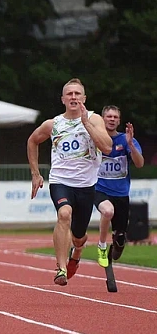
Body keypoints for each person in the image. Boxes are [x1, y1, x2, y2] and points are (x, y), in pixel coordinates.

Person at [27, 79, 112, 286]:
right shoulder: (53, 124)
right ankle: (61, 268)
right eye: (69, 94)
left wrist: (86, 124)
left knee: (79, 237)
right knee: (64, 214)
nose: (73, 97)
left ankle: (77, 251)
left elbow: (107, 147)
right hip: (61, 181)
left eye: (77, 94)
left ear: (84, 98)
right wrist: (35, 173)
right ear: (63, 99)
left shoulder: (95, 119)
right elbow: (32, 141)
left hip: (86, 185)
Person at [93, 105, 144, 292]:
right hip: (99, 189)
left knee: (120, 237)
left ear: (119, 121)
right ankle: (101, 245)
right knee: (107, 211)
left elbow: (139, 164)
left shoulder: (126, 139)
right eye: (109, 116)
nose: (112, 119)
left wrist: (131, 145)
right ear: (102, 119)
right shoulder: (95, 139)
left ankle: (114, 248)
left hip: (121, 194)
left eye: (115, 117)